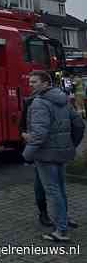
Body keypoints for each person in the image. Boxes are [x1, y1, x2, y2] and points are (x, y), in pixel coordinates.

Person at [23, 70, 85, 242]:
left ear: (45, 83)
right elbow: (79, 125)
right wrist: (71, 144)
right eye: (30, 81)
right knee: (60, 189)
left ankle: (61, 231)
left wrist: (27, 154)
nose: (30, 84)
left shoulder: (39, 103)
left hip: (45, 154)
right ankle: (64, 221)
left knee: (52, 191)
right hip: (61, 153)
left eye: (34, 82)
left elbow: (39, 135)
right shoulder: (64, 100)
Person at [19, 93, 51, 227]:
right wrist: (25, 136)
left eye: (34, 81)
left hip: (53, 149)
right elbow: (23, 126)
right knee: (43, 184)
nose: (31, 85)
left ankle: (59, 215)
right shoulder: (30, 102)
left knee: (55, 186)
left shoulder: (59, 100)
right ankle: (44, 213)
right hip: (42, 151)